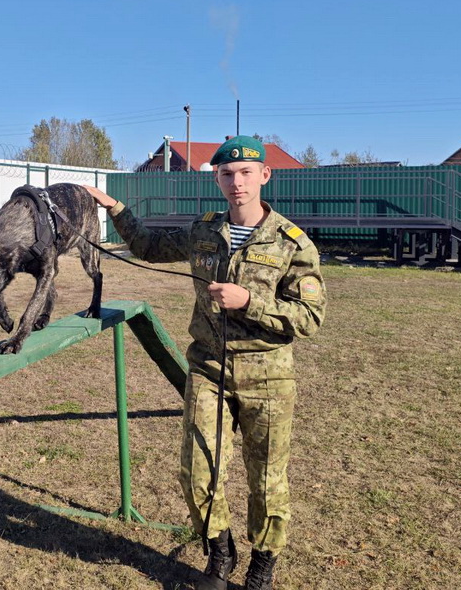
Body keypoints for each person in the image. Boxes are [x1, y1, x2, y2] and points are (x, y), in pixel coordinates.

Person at [84, 135, 325, 590]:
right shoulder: (204, 231)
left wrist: (249, 300)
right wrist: (114, 207)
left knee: (267, 480)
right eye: (228, 174)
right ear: (217, 178)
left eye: (247, 173)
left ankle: (262, 566)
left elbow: (310, 317)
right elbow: (150, 247)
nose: (237, 183)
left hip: (268, 377)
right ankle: (219, 550)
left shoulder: (292, 243)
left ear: (264, 176)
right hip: (209, 369)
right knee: (197, 470)